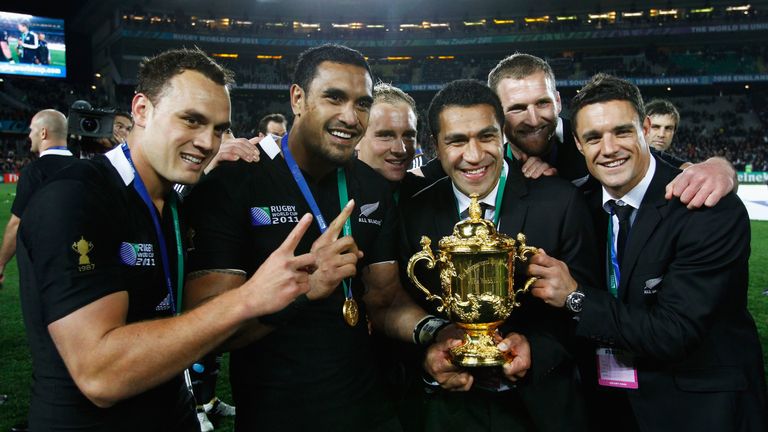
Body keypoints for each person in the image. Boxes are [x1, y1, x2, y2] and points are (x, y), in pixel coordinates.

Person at [16, 47, 318, 431]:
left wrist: (305, 287)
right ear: (141, 110)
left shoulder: (176, 201)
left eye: (219, 128)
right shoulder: (75, 197)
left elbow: (198, 327)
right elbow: (100, 375)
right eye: (191, 121)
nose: (208, 142)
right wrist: (247, 297)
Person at [184, 43, 437, 432]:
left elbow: (384, 302)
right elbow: (207, 331)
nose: (350, 116)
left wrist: (436, 332)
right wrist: (304, 289)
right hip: (279, 415)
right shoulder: (235, 182)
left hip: (369, 411)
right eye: (334, 97)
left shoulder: (371, 188)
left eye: (362, 103)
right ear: (298, 99)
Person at [528, 73, 768, 431]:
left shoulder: (705, 206)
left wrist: (576, 297)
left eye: (621, 131)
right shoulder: (581, 207)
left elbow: (675, 332)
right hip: (611, 408)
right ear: (578, 144)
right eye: (593, 137)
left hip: (699, 410)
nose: (608, 148)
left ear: (645, 126)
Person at [400, 79, 599, 432]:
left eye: (486, 136)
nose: (474, 155)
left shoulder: (560, 202)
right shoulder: (413, 211)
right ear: (436, 147)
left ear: (504, 135)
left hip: (543, 409)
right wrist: (429, 356)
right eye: (457, 141)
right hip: (447, 413)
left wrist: (537, 349)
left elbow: (591, 305)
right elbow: (401, 306)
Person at [485, 52, 735, 208]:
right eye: (517, 108)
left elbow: (670, 168)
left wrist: (719, 167)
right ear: (496, 111)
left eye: (543, 103)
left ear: (558, 101)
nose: (533, 118)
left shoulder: (594, 136)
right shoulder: (485, 159)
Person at [0, 109, 75, 284]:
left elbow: (16, 224)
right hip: (83, 263)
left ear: (43, 132)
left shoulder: (34, 172)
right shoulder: (87, 167)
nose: (29, 135)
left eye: (31, 130)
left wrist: (1, 262)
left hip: (47, 269)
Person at [356, 82, 417, 183]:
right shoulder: (324, 192)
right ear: (356, 138)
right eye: (386, 136)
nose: (401, 150)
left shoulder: (432, 194)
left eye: (408, 136)